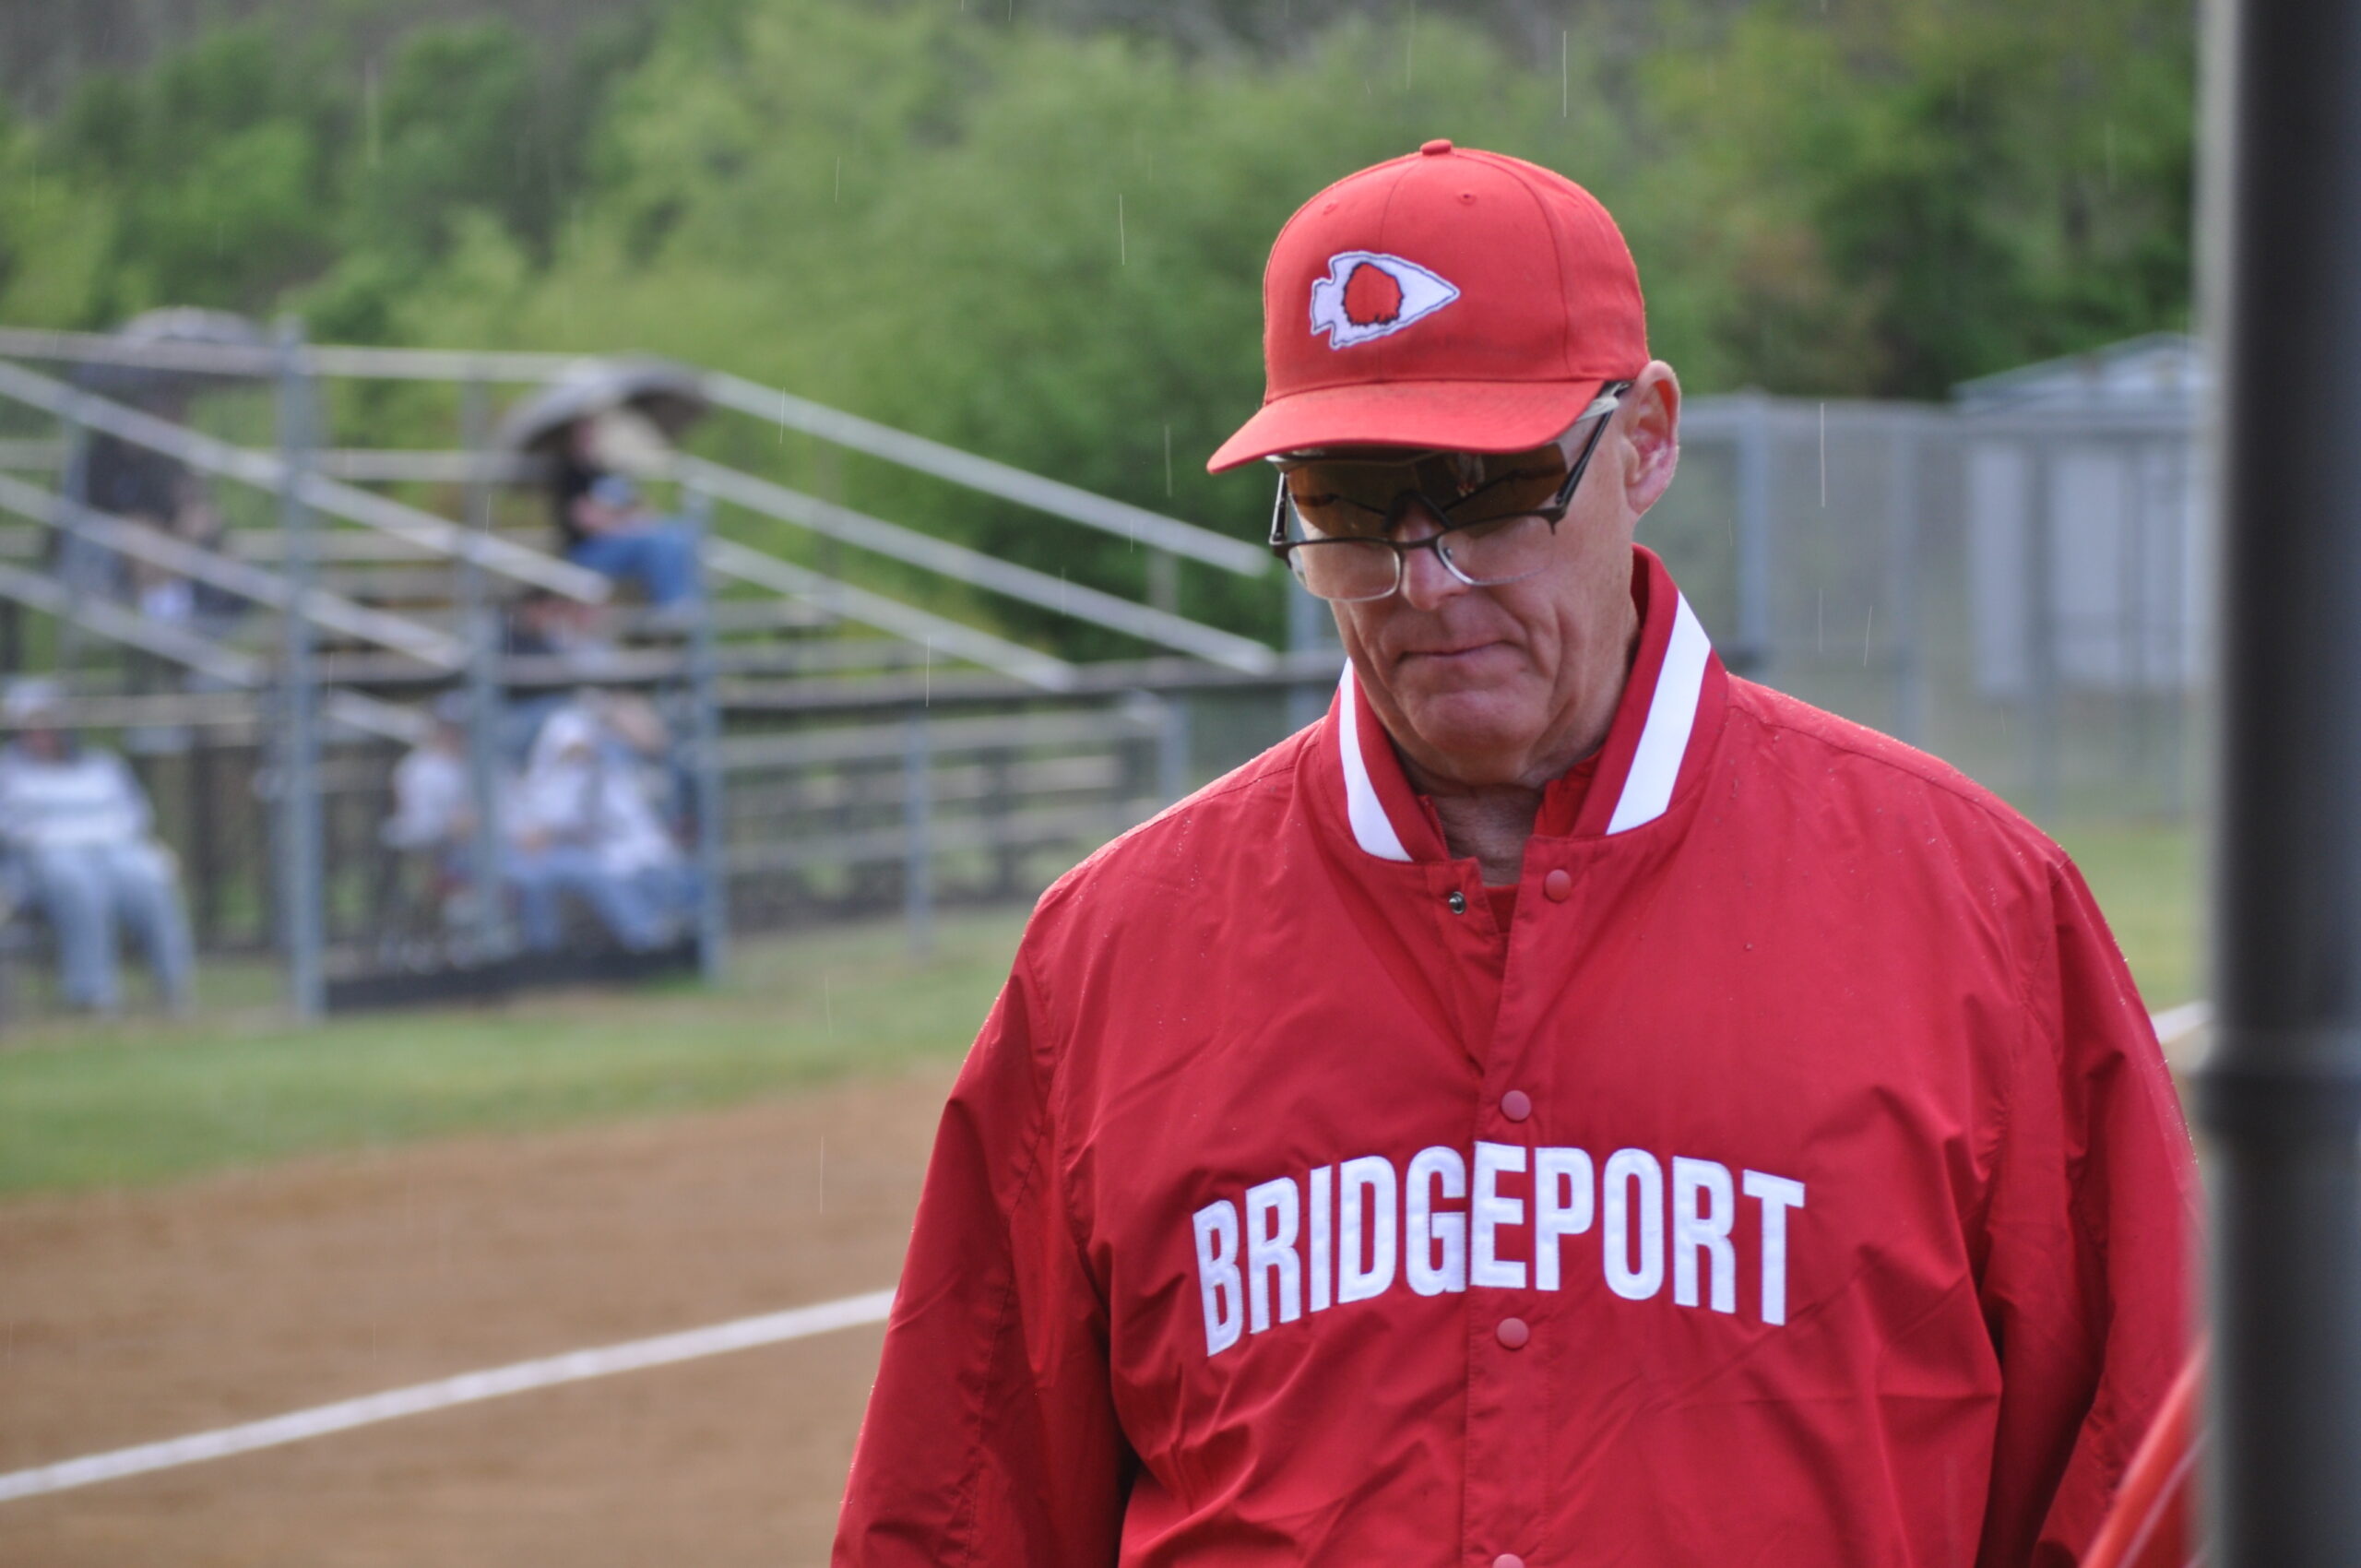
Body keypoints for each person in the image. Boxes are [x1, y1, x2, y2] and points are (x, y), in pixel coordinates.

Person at [833, 143, 2198, 1566]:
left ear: (1649, 438)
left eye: (1487, 487)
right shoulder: (1114, 951)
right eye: (1353, 504)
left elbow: (2148, 1475)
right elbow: (958, 1511)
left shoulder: (1970, 908)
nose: (1426, 578)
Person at [0, 679, 196, 1014]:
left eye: (49, 725)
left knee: (148, 880)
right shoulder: (9, 770)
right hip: (43, 859)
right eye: (33, 726)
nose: (43, 735)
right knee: (78, 884)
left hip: (114, 850)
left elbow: (135, 817)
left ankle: (174, 988)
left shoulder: (101, 766)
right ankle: (94, 995)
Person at [504, 700, 689, 954]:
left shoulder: (606, 771)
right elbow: (534, 837)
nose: (579, 752)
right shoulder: (543, 778)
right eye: (571, 747)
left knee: (666, 876)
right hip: (568, 859)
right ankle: (645, 943)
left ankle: (664, 943)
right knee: (592, 876)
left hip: (622, 855)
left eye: (582, 746)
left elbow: (653, 742)